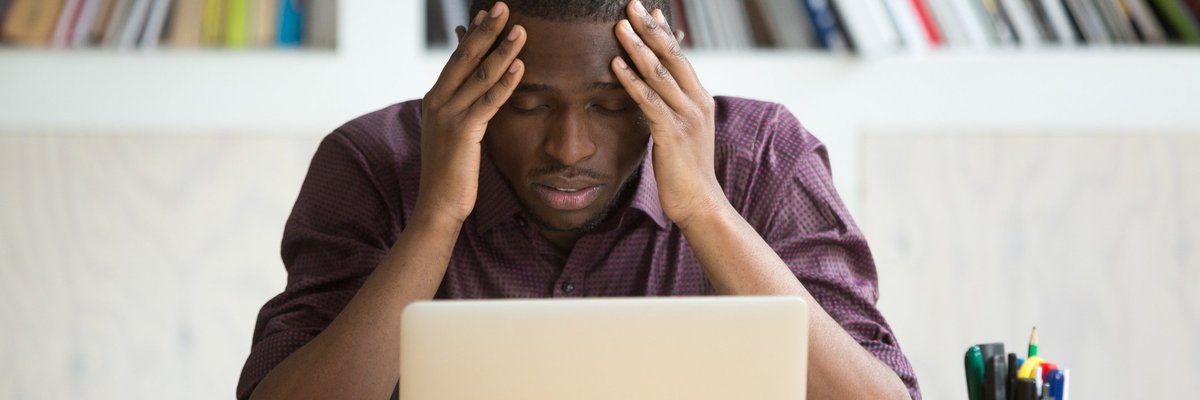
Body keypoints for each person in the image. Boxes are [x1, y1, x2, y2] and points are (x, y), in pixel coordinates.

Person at [237, 1, 921, 399]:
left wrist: (706, 209)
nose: (569, 149)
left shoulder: (762, 157)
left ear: (665, 70)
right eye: (528, 105)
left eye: (610, 105)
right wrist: (436, 218)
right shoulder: (374, 163)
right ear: (471, 66)